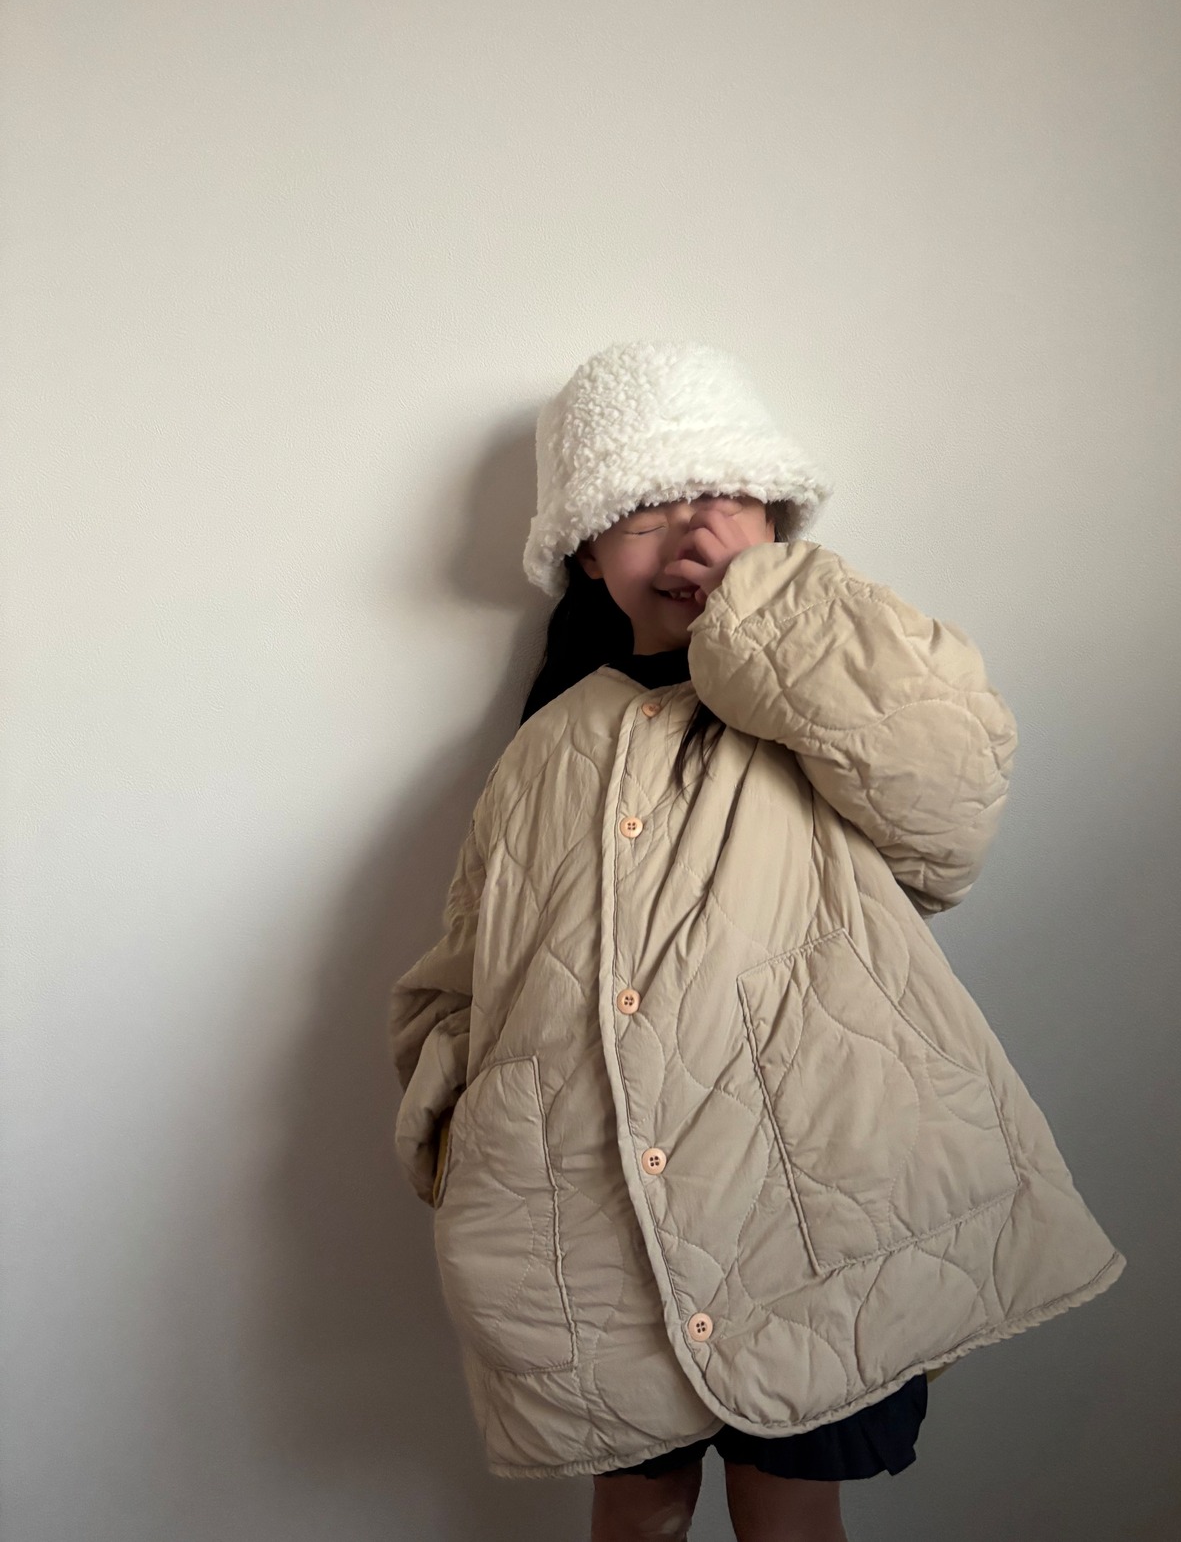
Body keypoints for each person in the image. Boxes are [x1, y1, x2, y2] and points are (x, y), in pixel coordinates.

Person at [388, 341, 1124, 1540]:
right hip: (594, 1235)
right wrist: (465, 1131)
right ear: (584, 553)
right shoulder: (542, 750)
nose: (689, 532)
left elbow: (948, 814)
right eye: (642, 509)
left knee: (789, 1515)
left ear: (776, 516)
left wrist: (771, 605)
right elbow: (465, 968)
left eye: (724, 496)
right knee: (635, 1514)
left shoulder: (816, 697)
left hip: (810, 1222)